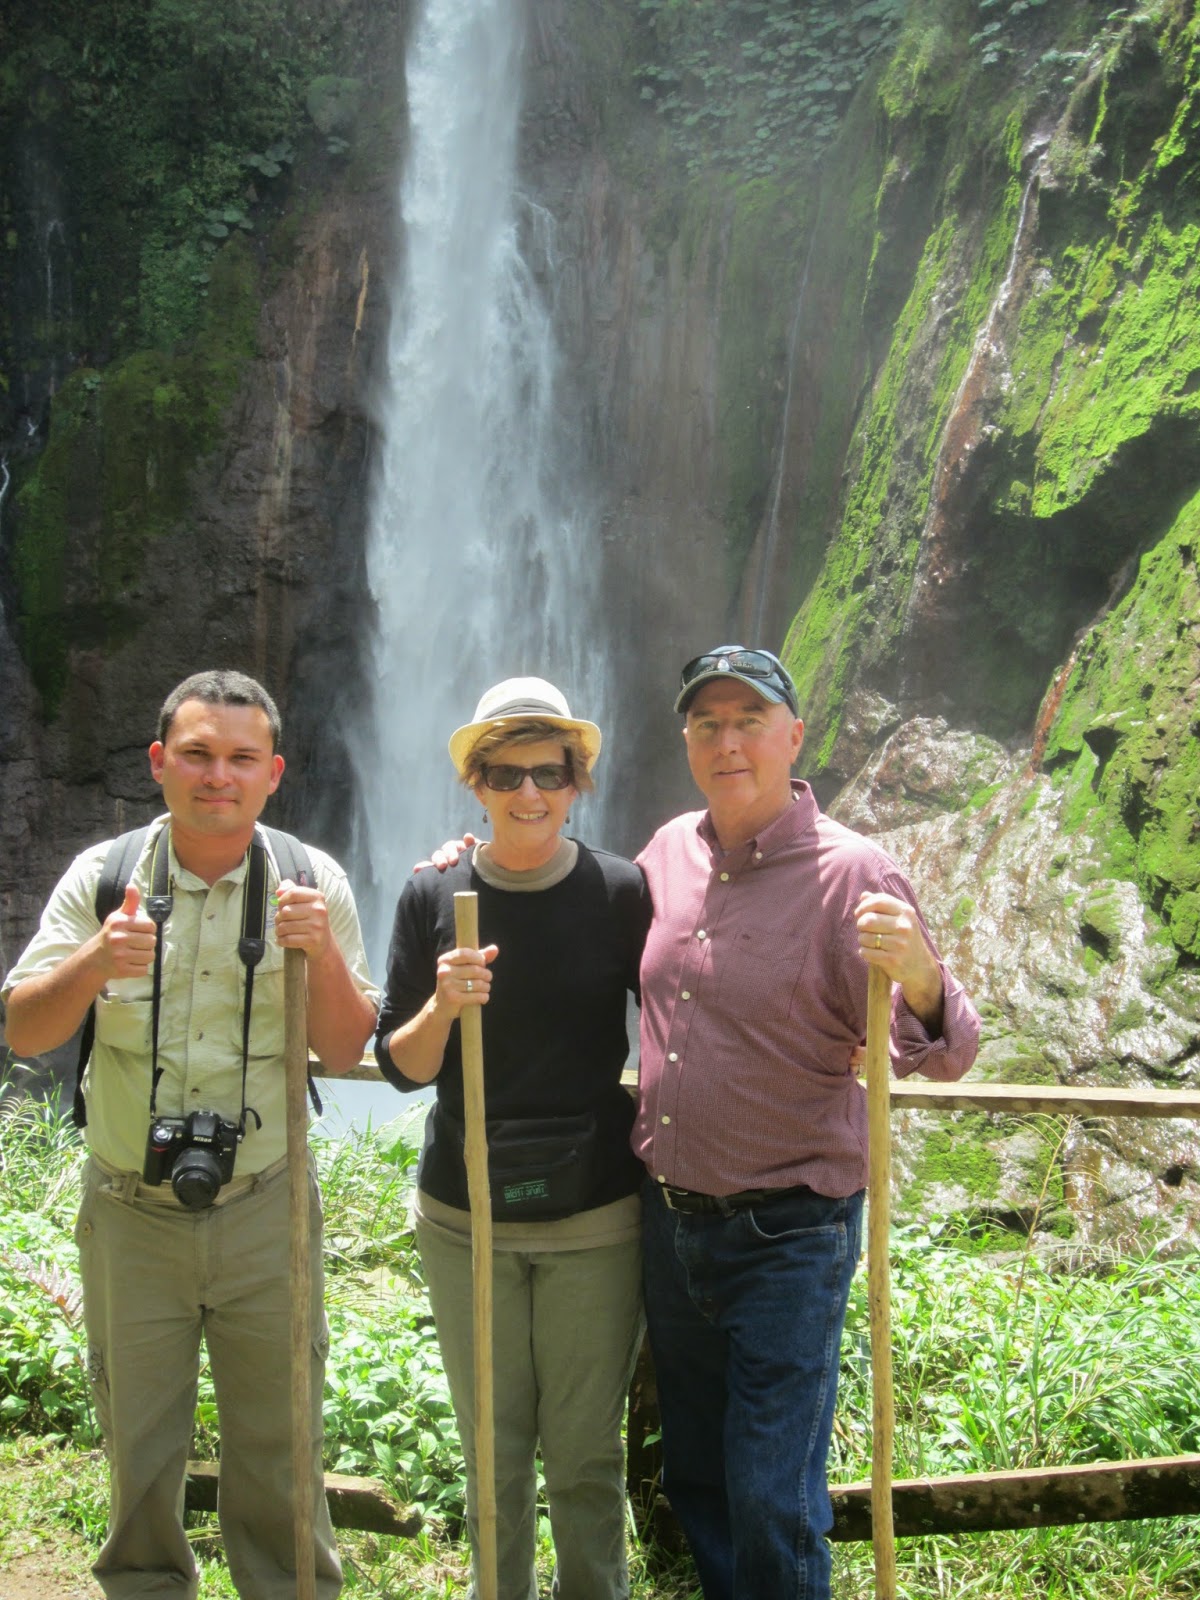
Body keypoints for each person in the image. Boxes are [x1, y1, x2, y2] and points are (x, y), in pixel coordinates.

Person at [2, 669, 379, 1600]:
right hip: (130, 1210)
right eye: (199, 754)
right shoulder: (104, 879)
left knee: (284, 1436)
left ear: (274, 773)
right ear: (158, 763)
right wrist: (98, 960)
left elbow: (343, 1047)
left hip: (267, 1208)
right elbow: (26, 1030)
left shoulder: (311, 881)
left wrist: (321, 953)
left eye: (242, 758)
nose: (219, 776)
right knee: (138, 1440)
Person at [634, 644, 981, 1600]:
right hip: (668, 1219)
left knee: (772, 1495)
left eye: (750, 721)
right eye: (707, 723)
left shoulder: (854, 872)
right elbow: (582, 920)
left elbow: (947, 1053)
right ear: (687, 741)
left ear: (794, 736)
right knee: (699, 1472)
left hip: (789, 1233)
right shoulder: (666, 852)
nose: (728, 742)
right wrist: (471, 861)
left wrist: (921, 973)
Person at [376, 677, 651, 1600]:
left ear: (577, 783)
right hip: (465, 1218)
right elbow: (401, 1066)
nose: (528, 793)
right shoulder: (433, 893)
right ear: (478, 785)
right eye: (505, 775)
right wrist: (444, 1004)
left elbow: (690, 1009)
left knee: (584, 1454)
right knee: (491, 1450)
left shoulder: (621, 891)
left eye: (548, 773)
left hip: (594, 1218)